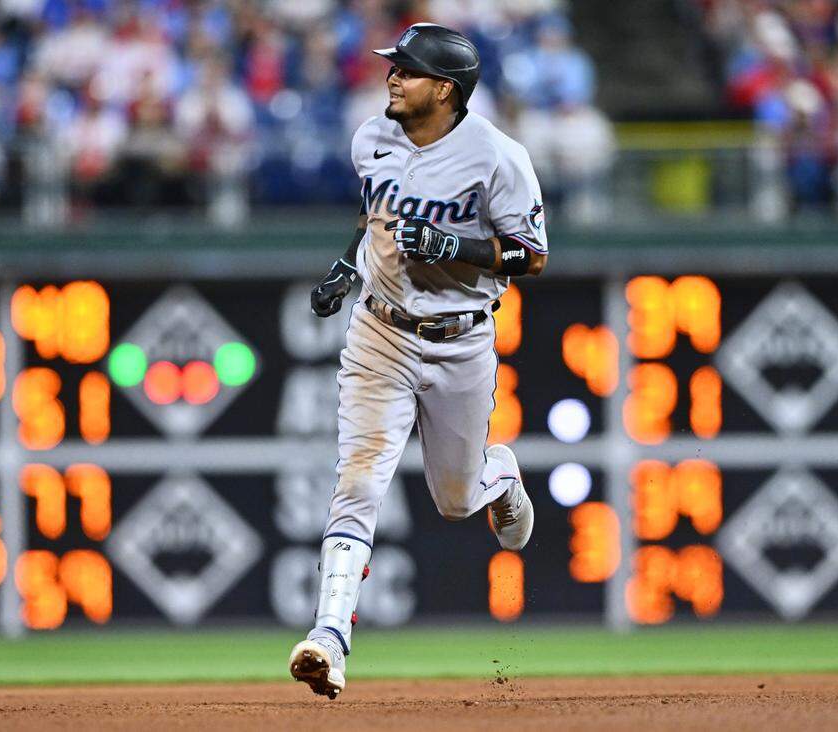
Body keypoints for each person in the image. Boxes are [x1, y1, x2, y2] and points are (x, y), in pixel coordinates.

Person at [288, 22, 547, 699]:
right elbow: (378, 217)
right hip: (379, 334)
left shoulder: (497, 156)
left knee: (456, 500)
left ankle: (499, 472)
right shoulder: (371, 138)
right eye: (393, 67)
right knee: (360, 480)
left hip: (462, 340)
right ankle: (329, 635)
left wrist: (452, 245)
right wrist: (348, 269)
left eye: (407, 70)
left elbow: (533, 256)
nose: (392, 77)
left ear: (446, 88)